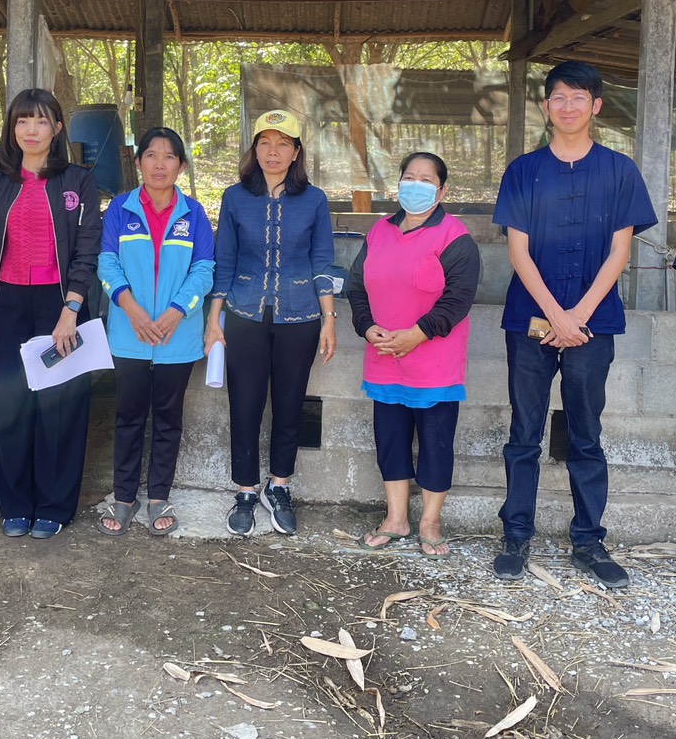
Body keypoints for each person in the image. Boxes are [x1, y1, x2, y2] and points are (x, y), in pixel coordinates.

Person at [491, 60, 656, 589]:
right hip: (531, 318)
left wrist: (576, 317)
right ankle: (516, 533)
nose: (567, 106)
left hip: (593, 323)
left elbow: (620, 251)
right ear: (546, 106)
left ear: (596, 105)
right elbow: (518, 250)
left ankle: (588, 540)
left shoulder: (619, 171)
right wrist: (555, 317)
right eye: (558, 97)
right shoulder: (523, 170)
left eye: (578, 98)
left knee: (586, 434)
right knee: (524, 432)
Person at [0, 89, 101, 540]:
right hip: (6, 305)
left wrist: (71, 310)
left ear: (57, 129)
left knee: (59, 406)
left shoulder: (78, 181)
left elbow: (87, 252)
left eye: (41, 121)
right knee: (13, 405)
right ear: (12, 129)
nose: (30, 130)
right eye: (22, 121)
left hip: (59, 304)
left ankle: (55, 505)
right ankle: (16, 503)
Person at [204, 109, 336, 537]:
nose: (273, 152)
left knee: (290, 403)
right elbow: (223, 260)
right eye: (265, 142)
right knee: (244, 404)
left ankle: (279, 485)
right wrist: (214, 319)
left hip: (301, 315)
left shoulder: (314, 200)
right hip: (243, 313)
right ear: (254, 148)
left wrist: (329, 319)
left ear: (297, 152)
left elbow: (322, 261)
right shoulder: (235, 197)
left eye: (283, 144)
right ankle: (245, 489)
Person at [345, 152, 481, 558]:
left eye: (426, 179)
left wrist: (417, 335)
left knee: (436, 443)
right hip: (384, 357)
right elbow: (357, 287)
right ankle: (396, 519)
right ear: (398, 184)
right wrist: (367, 328)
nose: (415, 184)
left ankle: (430, 523)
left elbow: (458, 299)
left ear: (442, 191)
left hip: (433, 364)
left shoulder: (455, 238)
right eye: (409, 176)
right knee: (391, 441)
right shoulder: (379, 232)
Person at [96, 127, 216, 537]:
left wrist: (177, 311)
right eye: (151, 155)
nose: (160, 163)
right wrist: (133, 311)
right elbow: (107, 264)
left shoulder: (194, 214)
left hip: (176, 336)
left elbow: (204, 270)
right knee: (128, 416)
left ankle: (159, 497)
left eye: (169, 157)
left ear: (181, 166)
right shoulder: (119, 210)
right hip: (130, 335)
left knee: (168, 419)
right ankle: (124, 497)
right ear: (139, 162)